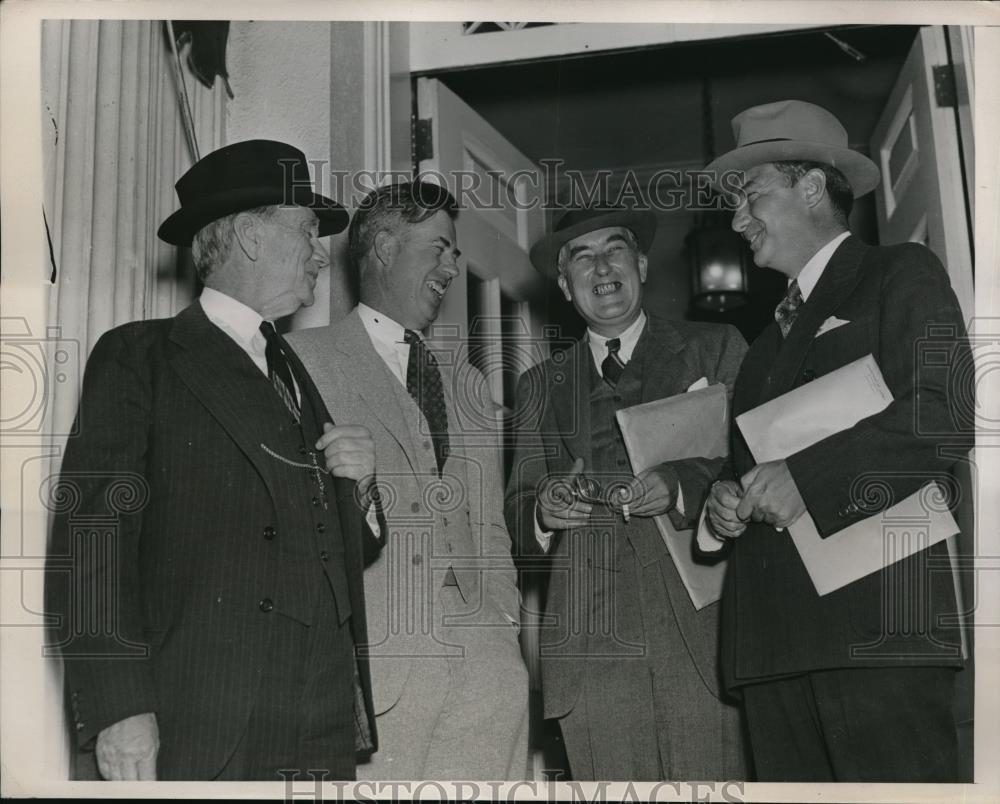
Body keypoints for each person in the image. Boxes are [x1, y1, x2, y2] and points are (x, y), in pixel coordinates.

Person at [45, 140, 379, 781]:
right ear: (252, 238)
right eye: (308, 230)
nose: (321, 251)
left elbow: (329, 547)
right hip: (207, 715)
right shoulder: (143, 356)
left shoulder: (294, 371)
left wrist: (358, 488)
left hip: (321, 713)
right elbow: (92, 541)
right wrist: (119, 709)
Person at [701, 99, 973, 781]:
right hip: (772, 648)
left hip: (878, 630)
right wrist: (726, 503)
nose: (737, 221)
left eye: (750, 196)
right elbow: (755, 474)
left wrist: (807, 479)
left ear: (813, 187)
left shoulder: (899, 273)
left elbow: (943, 412)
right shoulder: (760, 349)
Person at [287, 180, 528, 780]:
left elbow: (490, 522)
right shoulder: (301, 360)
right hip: (377, 666)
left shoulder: (468, 382)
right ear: (386, 248)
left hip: (484, 664)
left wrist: (501, 625)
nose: (453, 264)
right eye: (440, 248)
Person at [503, 207, 749, 781]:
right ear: (566, 286)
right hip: (590, 645)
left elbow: (756, 459)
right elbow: (514, 513)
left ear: (640, 264)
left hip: (701, 631)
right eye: (581, 258)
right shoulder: (539, 384)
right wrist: (542, 509)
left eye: (614, 250)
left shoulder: (715, 347)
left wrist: (682, 483)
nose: (601, 266)